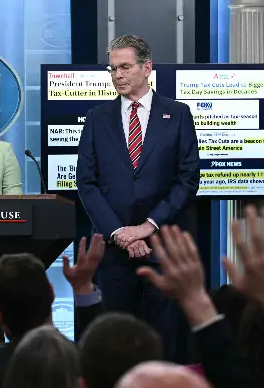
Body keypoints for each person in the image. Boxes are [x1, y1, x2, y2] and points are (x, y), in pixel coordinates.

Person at [75, 35, 200, 363]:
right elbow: (86, 184)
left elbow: (187, 181)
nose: (117, 75)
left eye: (125, 67)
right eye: (113, 68)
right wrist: (121, 234)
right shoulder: (97, 119)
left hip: (164, 248)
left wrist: (147, 227)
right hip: (115, 254)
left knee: (166, 344)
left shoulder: (178, 114)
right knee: (116, 346)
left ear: (147, 68)